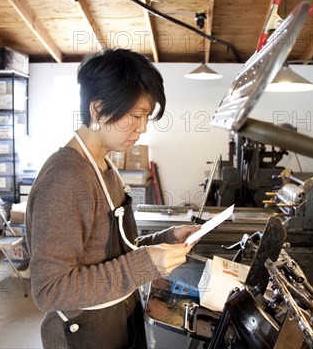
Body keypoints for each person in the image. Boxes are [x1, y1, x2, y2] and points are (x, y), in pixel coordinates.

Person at [26, 48, 200, 349]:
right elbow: (50, 290)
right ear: (97, 109)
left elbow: (116, 251)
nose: (142, 128)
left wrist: (168, 238)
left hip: (116, 322)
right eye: (135, 116)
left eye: (146, 117)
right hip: (80, 338)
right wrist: (146, 265)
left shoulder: (105, 167)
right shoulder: (66, 178)